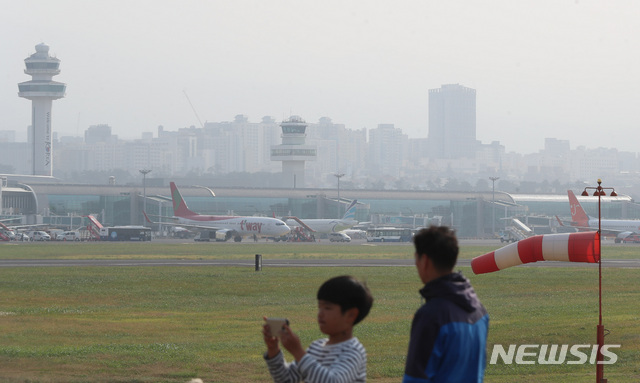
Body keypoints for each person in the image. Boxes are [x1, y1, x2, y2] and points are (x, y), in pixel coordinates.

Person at [403, 226, 489, 383]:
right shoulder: (479, 310)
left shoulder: (431, 316)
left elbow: (415, 378)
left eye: (416, 258)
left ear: (425, 260)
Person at [262, 275, 374, 383]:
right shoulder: (316, 347)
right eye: (319, 307)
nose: (320, 314)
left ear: (351, 315)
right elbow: (286, 379)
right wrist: (273, 350)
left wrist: (298, 352)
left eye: (327, 308)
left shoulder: (353, 352)